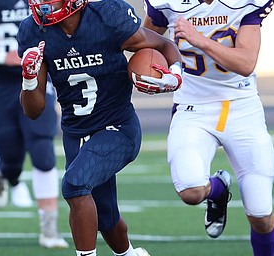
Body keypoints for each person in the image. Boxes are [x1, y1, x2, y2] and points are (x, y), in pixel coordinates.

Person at [17, 0, 182, 255]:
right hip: (76, 132)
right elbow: (33, 110)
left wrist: (174, 73)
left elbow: (163, 44)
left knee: (74, 185)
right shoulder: (33, 31)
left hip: (118, 127)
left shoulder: (107, 16)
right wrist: (28, 80)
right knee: (106, 218)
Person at [143, 0, 274, 255]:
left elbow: (246, 62)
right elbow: (145, 39)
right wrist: (158, 68)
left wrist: (198, 39)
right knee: (191, 190)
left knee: (260, 213)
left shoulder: (243, 4)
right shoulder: (168, 3)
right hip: (193, 105)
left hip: (242, 106)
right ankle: (218, 189)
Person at [0, 1, 69, 248]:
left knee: (43, 150)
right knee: (11, 160)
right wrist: (5, 57)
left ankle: (50, 229)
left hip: (38, 77)